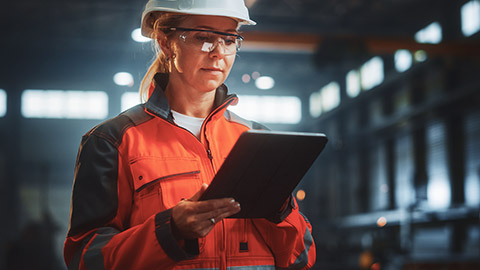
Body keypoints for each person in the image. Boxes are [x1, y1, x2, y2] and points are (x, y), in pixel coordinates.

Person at [63, 0, 316, 269]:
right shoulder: (114, 141)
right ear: (165, 43)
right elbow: (86, 258)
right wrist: (169, 231)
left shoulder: (258, 140)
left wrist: (279, 211)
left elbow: (302, 259)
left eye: (230, 40)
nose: (219, 52)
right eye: (203, 37)